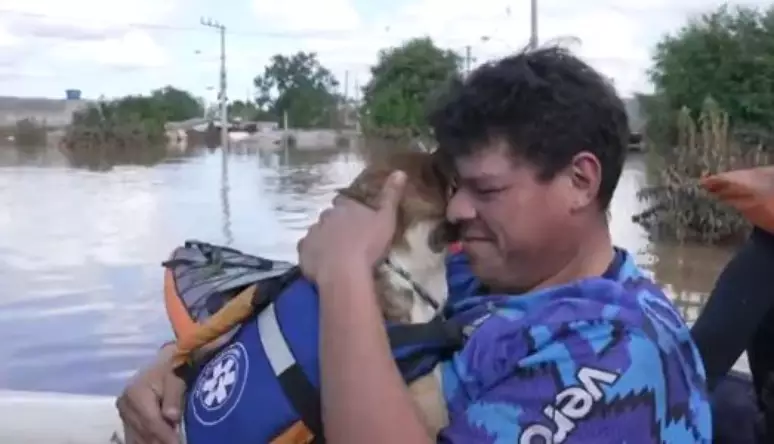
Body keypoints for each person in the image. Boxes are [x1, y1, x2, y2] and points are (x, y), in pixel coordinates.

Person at [117, 47, 712, 443]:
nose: (456, 211)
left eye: (487, 189)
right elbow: (291, 324)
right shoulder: (480, 277)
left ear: (580, 182)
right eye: (456, 187)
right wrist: (180, 369)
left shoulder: (616, 349)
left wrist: (347, 270)